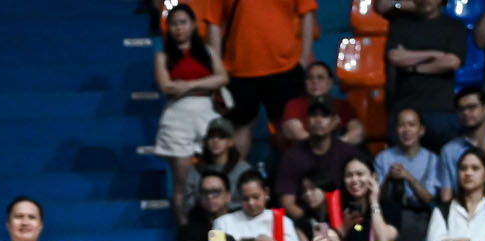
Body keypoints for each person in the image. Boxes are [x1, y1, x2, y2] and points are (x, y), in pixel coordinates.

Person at [154, 3, 229, 218]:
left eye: (183, 23)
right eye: (174, 24)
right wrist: (204, 82)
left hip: (207, 114)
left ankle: (216, 225)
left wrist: (186, 85)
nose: (179, 28)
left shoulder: (207, 51)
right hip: (177, 118)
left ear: (193, 25)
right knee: (182, 182)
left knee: (214, 176)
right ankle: (184, 228)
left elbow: (222, 78)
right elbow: (166, 86)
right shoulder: (163, 56)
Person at [220, 0, 318, 162]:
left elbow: (307, 12)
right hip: (239, 68)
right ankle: (235, 176)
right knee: (241, 127)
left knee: (288, 127)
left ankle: (294, 174)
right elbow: (214, 22)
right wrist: (219, 67)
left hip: (285, 66)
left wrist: (304, 58)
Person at [386, 0, 469, 147]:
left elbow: (452, 62)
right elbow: (395, 57)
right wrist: (434, 54)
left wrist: (414, 68)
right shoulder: (400, 25)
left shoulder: (454, 27)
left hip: (441, 110)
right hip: (405, 107)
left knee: (444, 156)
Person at [274, 101, 355, 217]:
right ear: (306, 121)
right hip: (304, 220)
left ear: (335, 121)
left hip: (344, 218)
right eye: (313, 115)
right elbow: (287, 203)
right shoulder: (292, 156)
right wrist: (310, 224)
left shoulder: (348, 152)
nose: (318, 120)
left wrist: (340, 223)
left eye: (324, 115)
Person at [277, 60, 365, 147]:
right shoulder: (294, 104)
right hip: (303, 152)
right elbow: (294, 131)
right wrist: (322, 145)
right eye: (309, 78)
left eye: (320, 77)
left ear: (330, 82)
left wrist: (335, 146)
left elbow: (358, 131)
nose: (314, 81)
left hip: (338, 151)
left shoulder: (342, 105)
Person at [377, 106, 447, 214]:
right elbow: (377, 199)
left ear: (421, 130)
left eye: (412, 125)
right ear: (396, 130)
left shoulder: (432, 160)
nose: (406, 130)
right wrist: (388, 178)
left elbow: (431, 200)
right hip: (389, 214)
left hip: (422, 215)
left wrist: (409, 178)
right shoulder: (383, 158)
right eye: (401, 125)